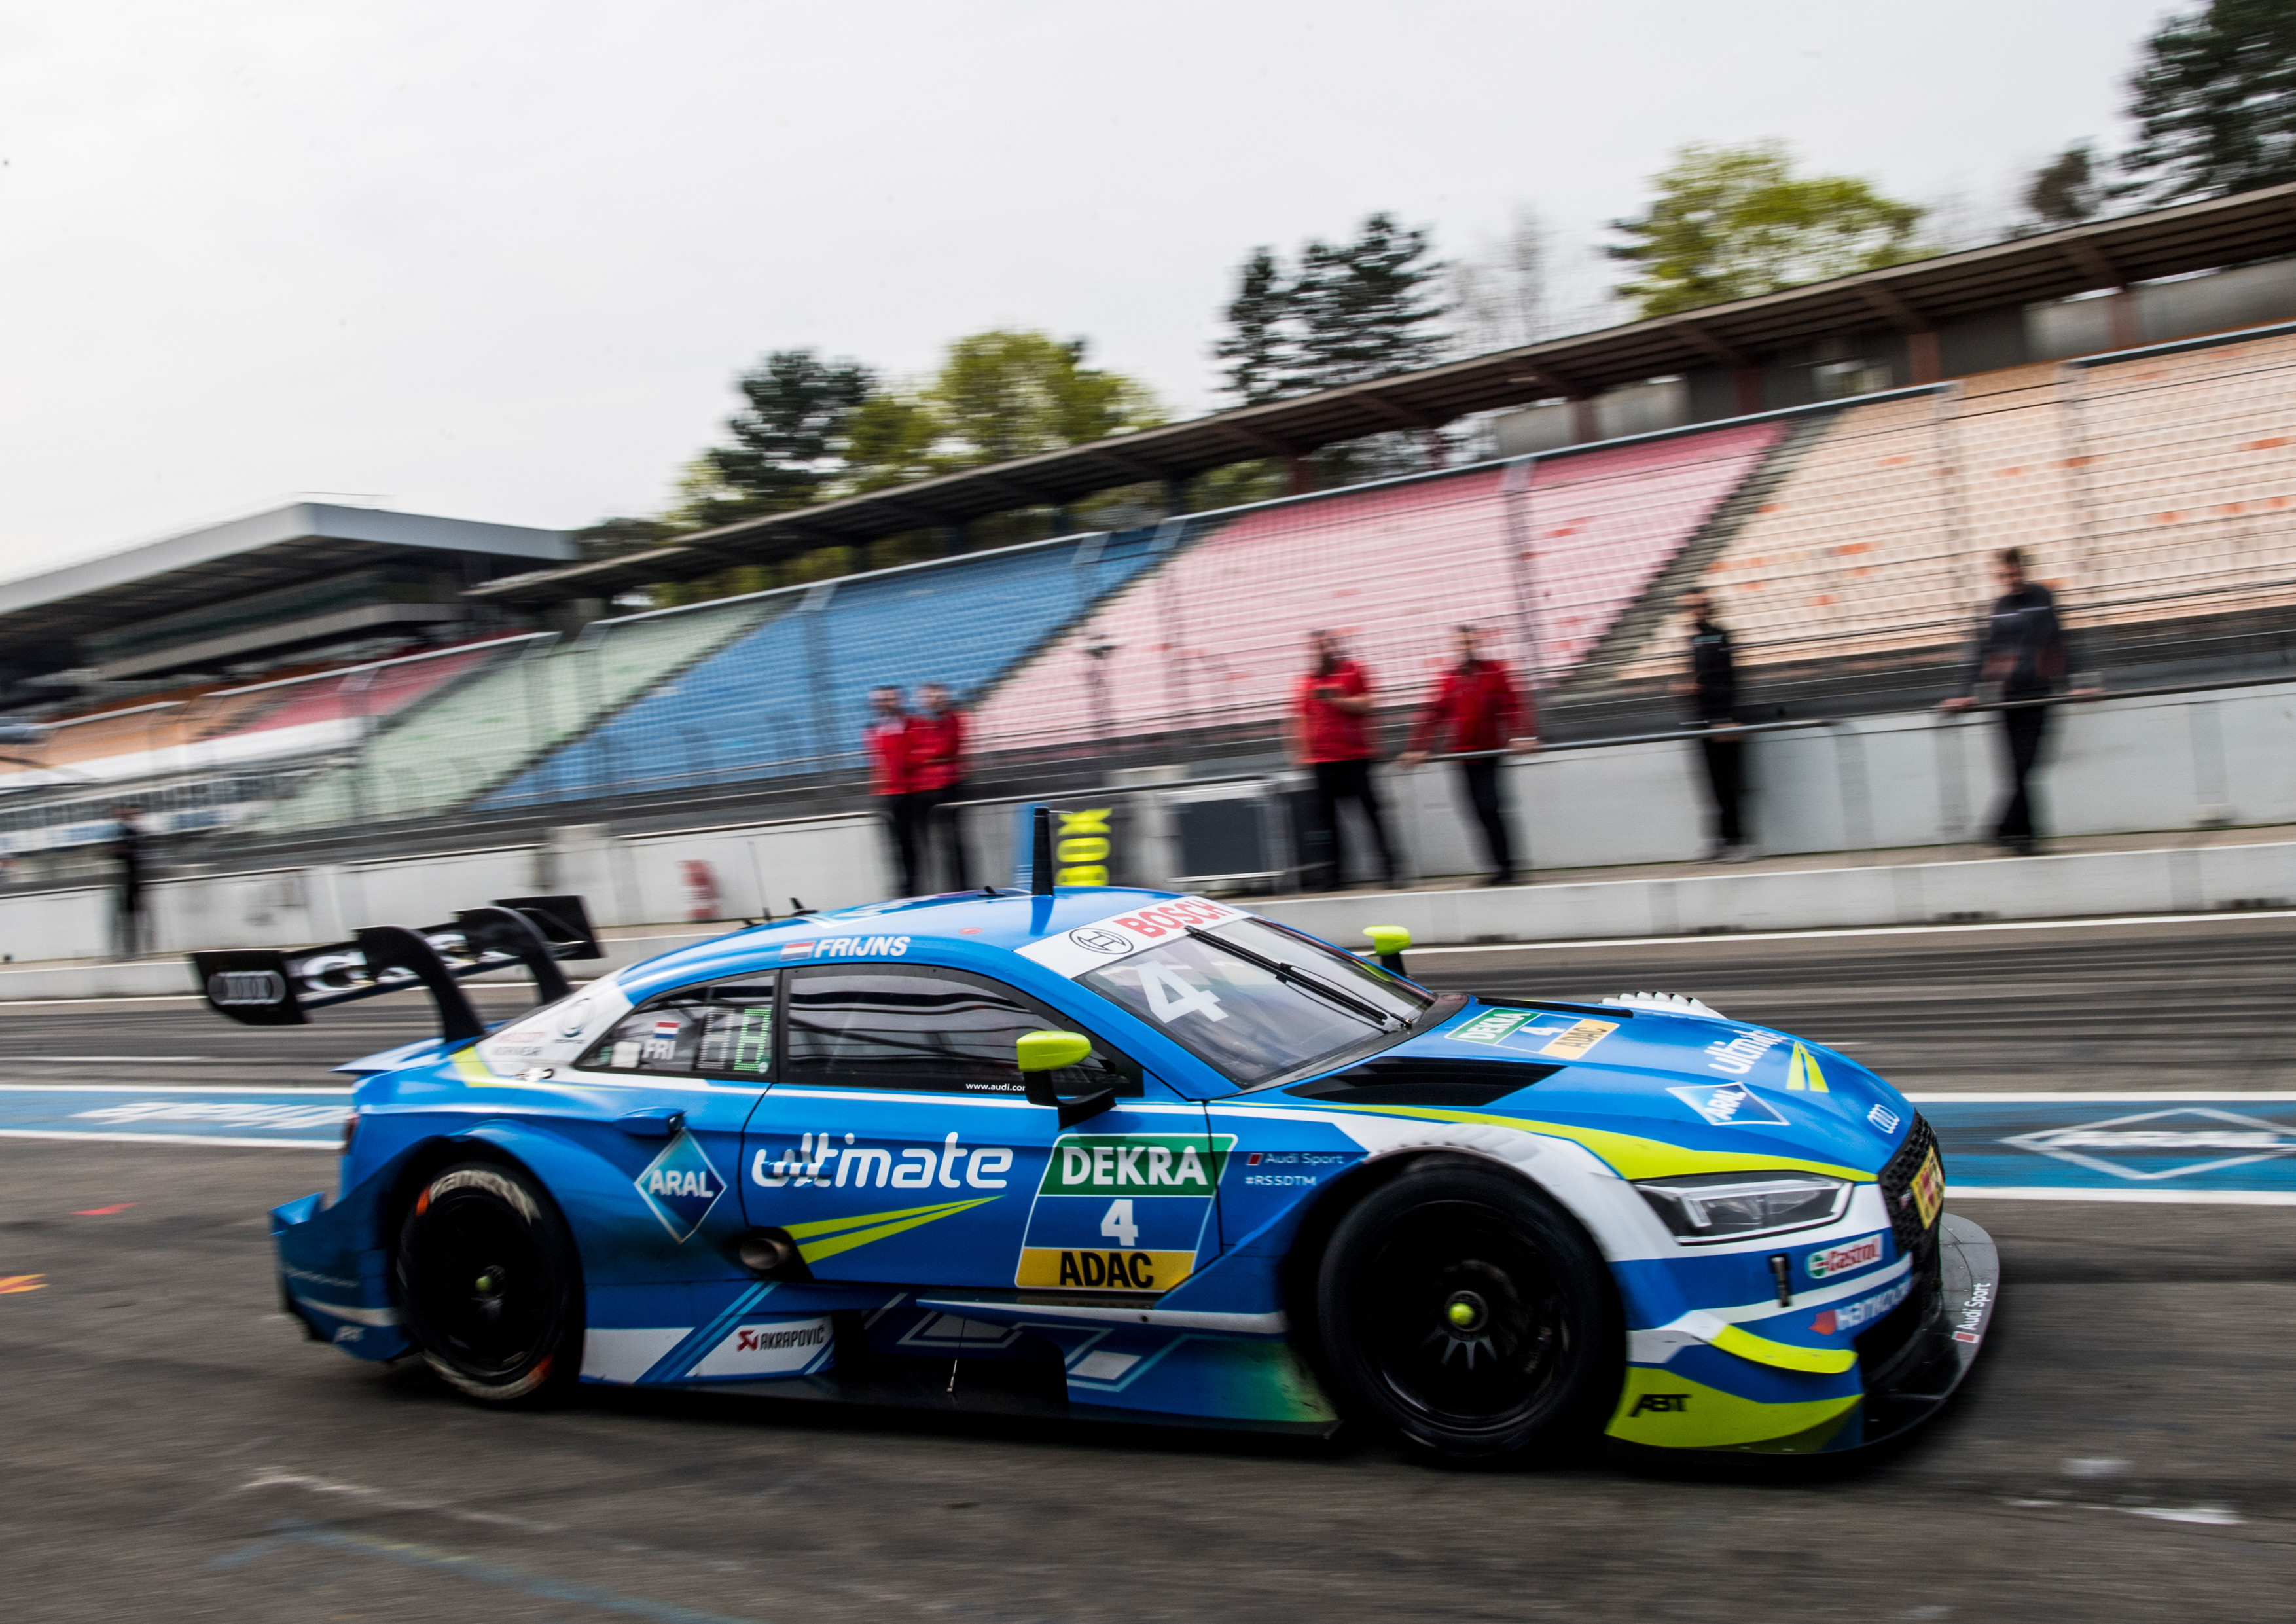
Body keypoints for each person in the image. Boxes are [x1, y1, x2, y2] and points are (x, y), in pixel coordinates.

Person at [1940, 547, 2087, 856]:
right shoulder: (1998, 608)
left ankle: (2006, 829)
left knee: (2027, 767)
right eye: (2005, 575)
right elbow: (1982, 652)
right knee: (2016, 771)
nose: (2011, 580)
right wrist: (1967, 690)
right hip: (2007, 700)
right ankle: (2024, 836)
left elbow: (2060, 642)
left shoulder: (2042, 600)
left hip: (2038, 695)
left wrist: (2077, 684)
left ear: (2024, 570)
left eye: (2015, 573)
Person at [1397, 625, 1538, 886]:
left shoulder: (1494, 672)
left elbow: (1513, 705)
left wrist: (1522, 735)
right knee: (1476, 812)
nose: (1466, 648)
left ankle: (1507, 867)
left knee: (1491, 808)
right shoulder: (1451, 678)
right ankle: (1498, 867)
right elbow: (1433, 713)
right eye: (1461, 644)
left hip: (1488, 752)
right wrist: (1417, 747)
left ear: (1476, 645)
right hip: (1462, 756)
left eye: (1470, 643)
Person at [1289, 630, 1398, 891]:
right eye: (1315, 649)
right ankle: (1334, 877)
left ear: (1334, 649)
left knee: (1372, 813)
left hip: (1355, 758)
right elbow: (1300, 719)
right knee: (1326, 821)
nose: (1320, 653)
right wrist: (1300, 752)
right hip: (1322, 761)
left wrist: (1338, 699)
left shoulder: (1353, 671)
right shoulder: (1306, 682)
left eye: (1324, 648)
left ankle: (1390, 870)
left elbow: (1369, 704)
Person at [1676, 588, 1751, 862]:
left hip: (1718, 722)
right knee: (1713, 786)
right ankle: (1720, 841)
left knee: (1729, 783)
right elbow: (1703, 680)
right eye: (1690, 607)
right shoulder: (1695, 640)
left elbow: (1729, 680)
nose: (1695, 612)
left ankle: (1737, 842)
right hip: (1702, 722)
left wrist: (1725, 719)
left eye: (1700, 606)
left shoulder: (1719, 636)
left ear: (1709, 607)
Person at [906, 682, 971, 892]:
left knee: (953, 841)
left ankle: (961, 887)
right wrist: (930, 755)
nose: (934, 700)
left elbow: (949, 748)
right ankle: (930, 890)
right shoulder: (914, 723)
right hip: (922, 791)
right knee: (923, 844)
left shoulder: (954, 719)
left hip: (949, 786)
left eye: (938, 696)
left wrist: (925, 755)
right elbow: (910, 755)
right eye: (929, 697)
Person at [863, 686, 922, 894]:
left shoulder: (912, 725)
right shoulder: (873, 730)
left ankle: (914, 887)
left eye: (888, 699)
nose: (883, 704)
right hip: (888, 794)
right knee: (894, 844)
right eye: (879, 701)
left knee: (912, 842)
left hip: (910, 792)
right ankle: (903, 886)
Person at [112, 804, 149, 959]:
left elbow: (127, 854)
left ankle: (134, 950)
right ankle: (134, 950)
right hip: (132, 880)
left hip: (134, 880)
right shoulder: (127, 831)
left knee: (134, 917)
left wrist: (124, 851)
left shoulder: (132, 832)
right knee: (132, 917)